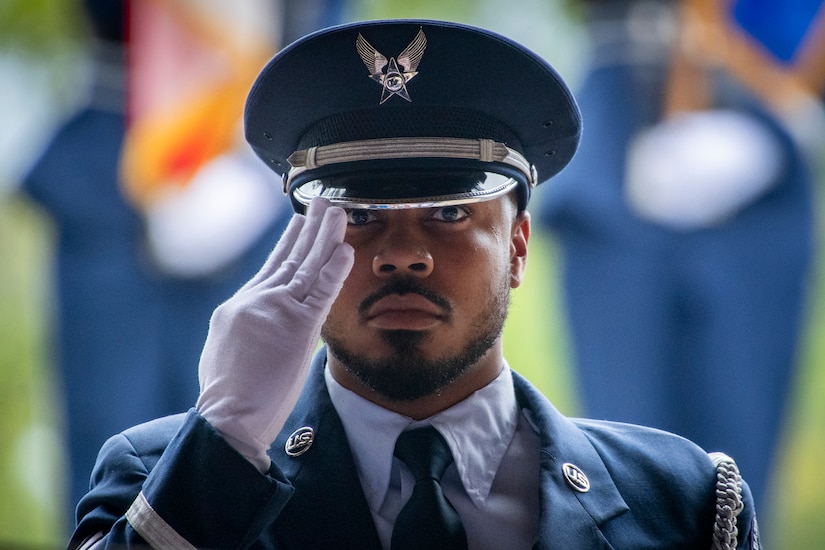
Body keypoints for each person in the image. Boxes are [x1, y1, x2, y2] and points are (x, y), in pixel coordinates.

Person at [69, 19, 760, 549]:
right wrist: (223, 439)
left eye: (449, 212)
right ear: (295, 250)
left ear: (517, 247)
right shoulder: (162, 474)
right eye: (359, 216)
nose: (403, 254)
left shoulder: (679, 498)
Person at [536, 0, 817, 519]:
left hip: (762, 122)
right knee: (627, 465)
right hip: (619, 123)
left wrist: (792, 108)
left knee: (740, 475)